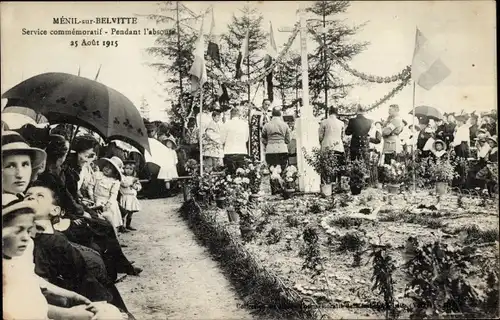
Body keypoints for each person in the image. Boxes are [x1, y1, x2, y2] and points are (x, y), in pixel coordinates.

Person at [262, 108, 291, 195]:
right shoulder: (285, 125)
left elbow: (263, 138)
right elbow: (288, 140)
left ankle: (274, 190)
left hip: (270, 150)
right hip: (282, 149)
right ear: (280, 115)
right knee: (282, 170)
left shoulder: (266, 125)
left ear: (272, 115)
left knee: (272, 169)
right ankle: (282, 188)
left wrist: (269, 142)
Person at [93, 156, 124, 231]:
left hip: (107, 201)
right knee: (98, 219)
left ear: (114, 172)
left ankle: (113, 232)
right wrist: (91, 196)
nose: (106, 169)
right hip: (96, 199)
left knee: (111, 218)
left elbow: (114, 194)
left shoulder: (115, 181)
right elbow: (91, 185)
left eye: (110, 168)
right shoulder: (98, 175)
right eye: (106, 166)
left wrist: (109, 203)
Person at [319, 106, 345, 189]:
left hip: (327, 146)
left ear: (329, 112)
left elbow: (320, 136)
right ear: (336, 113)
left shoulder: (324, 122)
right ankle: (337, 185)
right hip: (338, 147)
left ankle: (327, 185)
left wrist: (322, 142)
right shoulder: (341, 123)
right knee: (337, 166)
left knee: (326, 167)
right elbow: (342, 136)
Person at [220, 107, 249, 174]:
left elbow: (222, 140)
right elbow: (246, 139)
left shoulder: (226, 124)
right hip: (241, 151)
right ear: (239, 115)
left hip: (229, 151)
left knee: (230, 174)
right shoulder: (244, 124)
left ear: (231, 114)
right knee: (241, 174)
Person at [119, 160, 142, 232]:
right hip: (125, 196)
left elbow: (139, 187)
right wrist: (132, 182)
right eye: (127, 168)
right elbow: (124, 184)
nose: (128, 170)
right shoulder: (122, 177)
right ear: (123, 169)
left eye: (131, 169)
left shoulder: (134, 178)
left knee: (131, 211)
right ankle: (121, 226)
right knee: (124, 211)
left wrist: (136, 187)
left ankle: (128, 224)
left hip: (132, 197)